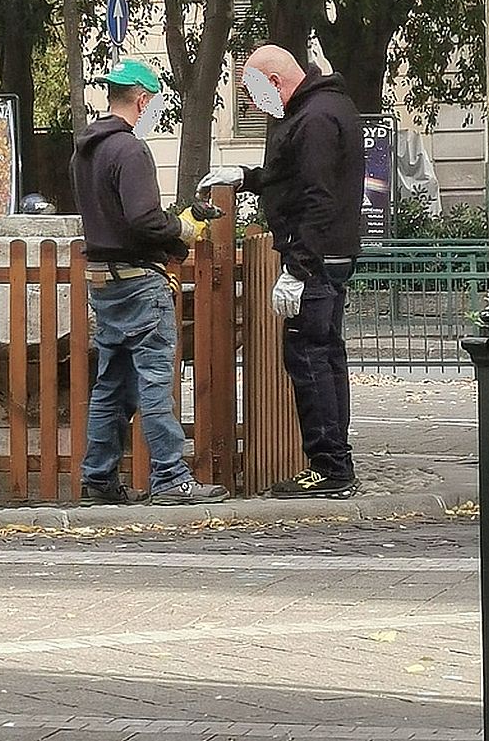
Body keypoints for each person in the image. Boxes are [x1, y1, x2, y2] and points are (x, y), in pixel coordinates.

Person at [197, 44, 364, 498]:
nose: (252, 104)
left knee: (309, 358)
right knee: (325, 356)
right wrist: (248, 177)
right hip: (331, 255)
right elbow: (296, 177)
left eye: (252, 92)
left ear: (275, 82)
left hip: (316, 257)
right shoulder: (326, 107)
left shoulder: (312, 119)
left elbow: (316, 197)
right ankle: (334, 463)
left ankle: (329, 467)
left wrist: (298, 267)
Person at [70, 58, 229, 505]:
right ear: (141, 99)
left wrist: (179, 223)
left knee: (112, 385)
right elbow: (141, 220)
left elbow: (114, 220)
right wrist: (182, 229)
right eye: (151, 102)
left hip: (103, 284)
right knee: (154, 382)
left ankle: (99, 479)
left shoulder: (84, 151)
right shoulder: (130, 150)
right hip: (140, 283)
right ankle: (172, 479)